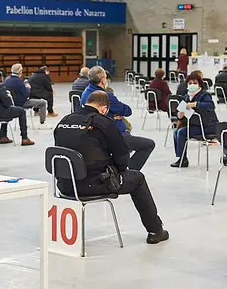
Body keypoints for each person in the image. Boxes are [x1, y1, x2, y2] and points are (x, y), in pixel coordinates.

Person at [54, 90, 169, 244]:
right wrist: (118, 172)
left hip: (65, 184)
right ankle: (155, 230)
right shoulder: (104, 122)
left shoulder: (64, 121)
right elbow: (122, 155)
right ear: (104, 109)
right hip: (94, 184)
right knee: (138, 179)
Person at [81, 66, 155, 171]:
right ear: (102, 79)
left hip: (94, 132)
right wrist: (112, 115)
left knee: (128, 136)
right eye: (105, 78)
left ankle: (122, 163)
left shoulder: (85, 93)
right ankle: (130, 171)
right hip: (113, 134)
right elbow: (127, 110)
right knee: (148, 144)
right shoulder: (105, 96)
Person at [171, 72, 218, 168]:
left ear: (200, 84)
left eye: (195, 83)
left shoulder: (205, 95)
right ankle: (182, 157)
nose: (192, 85)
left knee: (181, 132)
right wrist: (180, 115)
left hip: (208, 126)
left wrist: (196, 104)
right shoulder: (186, 97)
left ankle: (182, 159)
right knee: (176, 131)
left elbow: (210, 106)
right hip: (194, 125)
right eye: (190, 83)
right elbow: (180, 111)